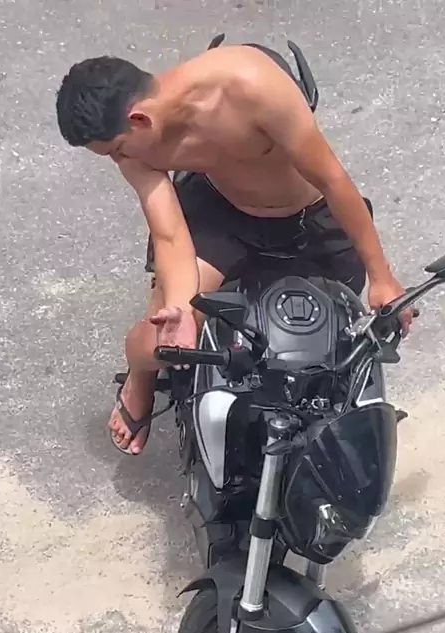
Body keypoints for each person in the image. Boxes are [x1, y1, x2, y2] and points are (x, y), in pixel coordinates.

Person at [56, 45, 414, 455]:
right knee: (163, 338)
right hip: (223, 216)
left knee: (333, 349)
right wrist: (179, 309)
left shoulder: (251, 86)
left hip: (310, 221)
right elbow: (170, 234)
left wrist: (382, 277)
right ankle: (141, 376)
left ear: (139, 119)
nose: (117, 159)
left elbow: (333, 181)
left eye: (117, 149)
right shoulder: (137, 147)